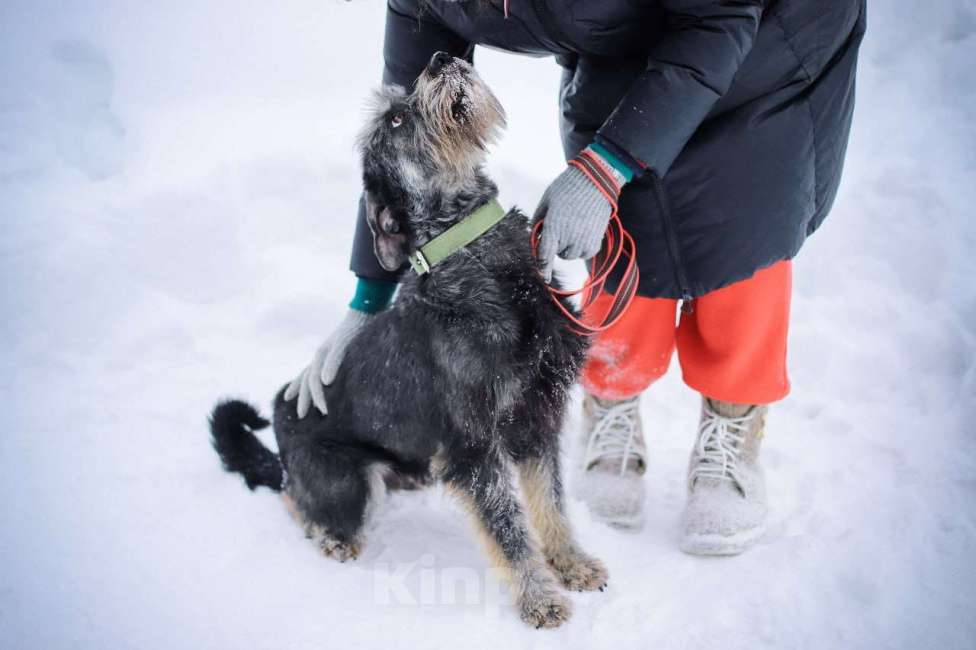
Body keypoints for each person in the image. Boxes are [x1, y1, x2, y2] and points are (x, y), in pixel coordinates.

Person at [285, 0, 866, 555]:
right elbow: (401, 140)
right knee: (619, 236)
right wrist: (369, 297)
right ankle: (612, 399)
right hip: (624, 43)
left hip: (767, 46)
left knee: (744, 238)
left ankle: (732, 428)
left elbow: (718, 19)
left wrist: (605, 167)